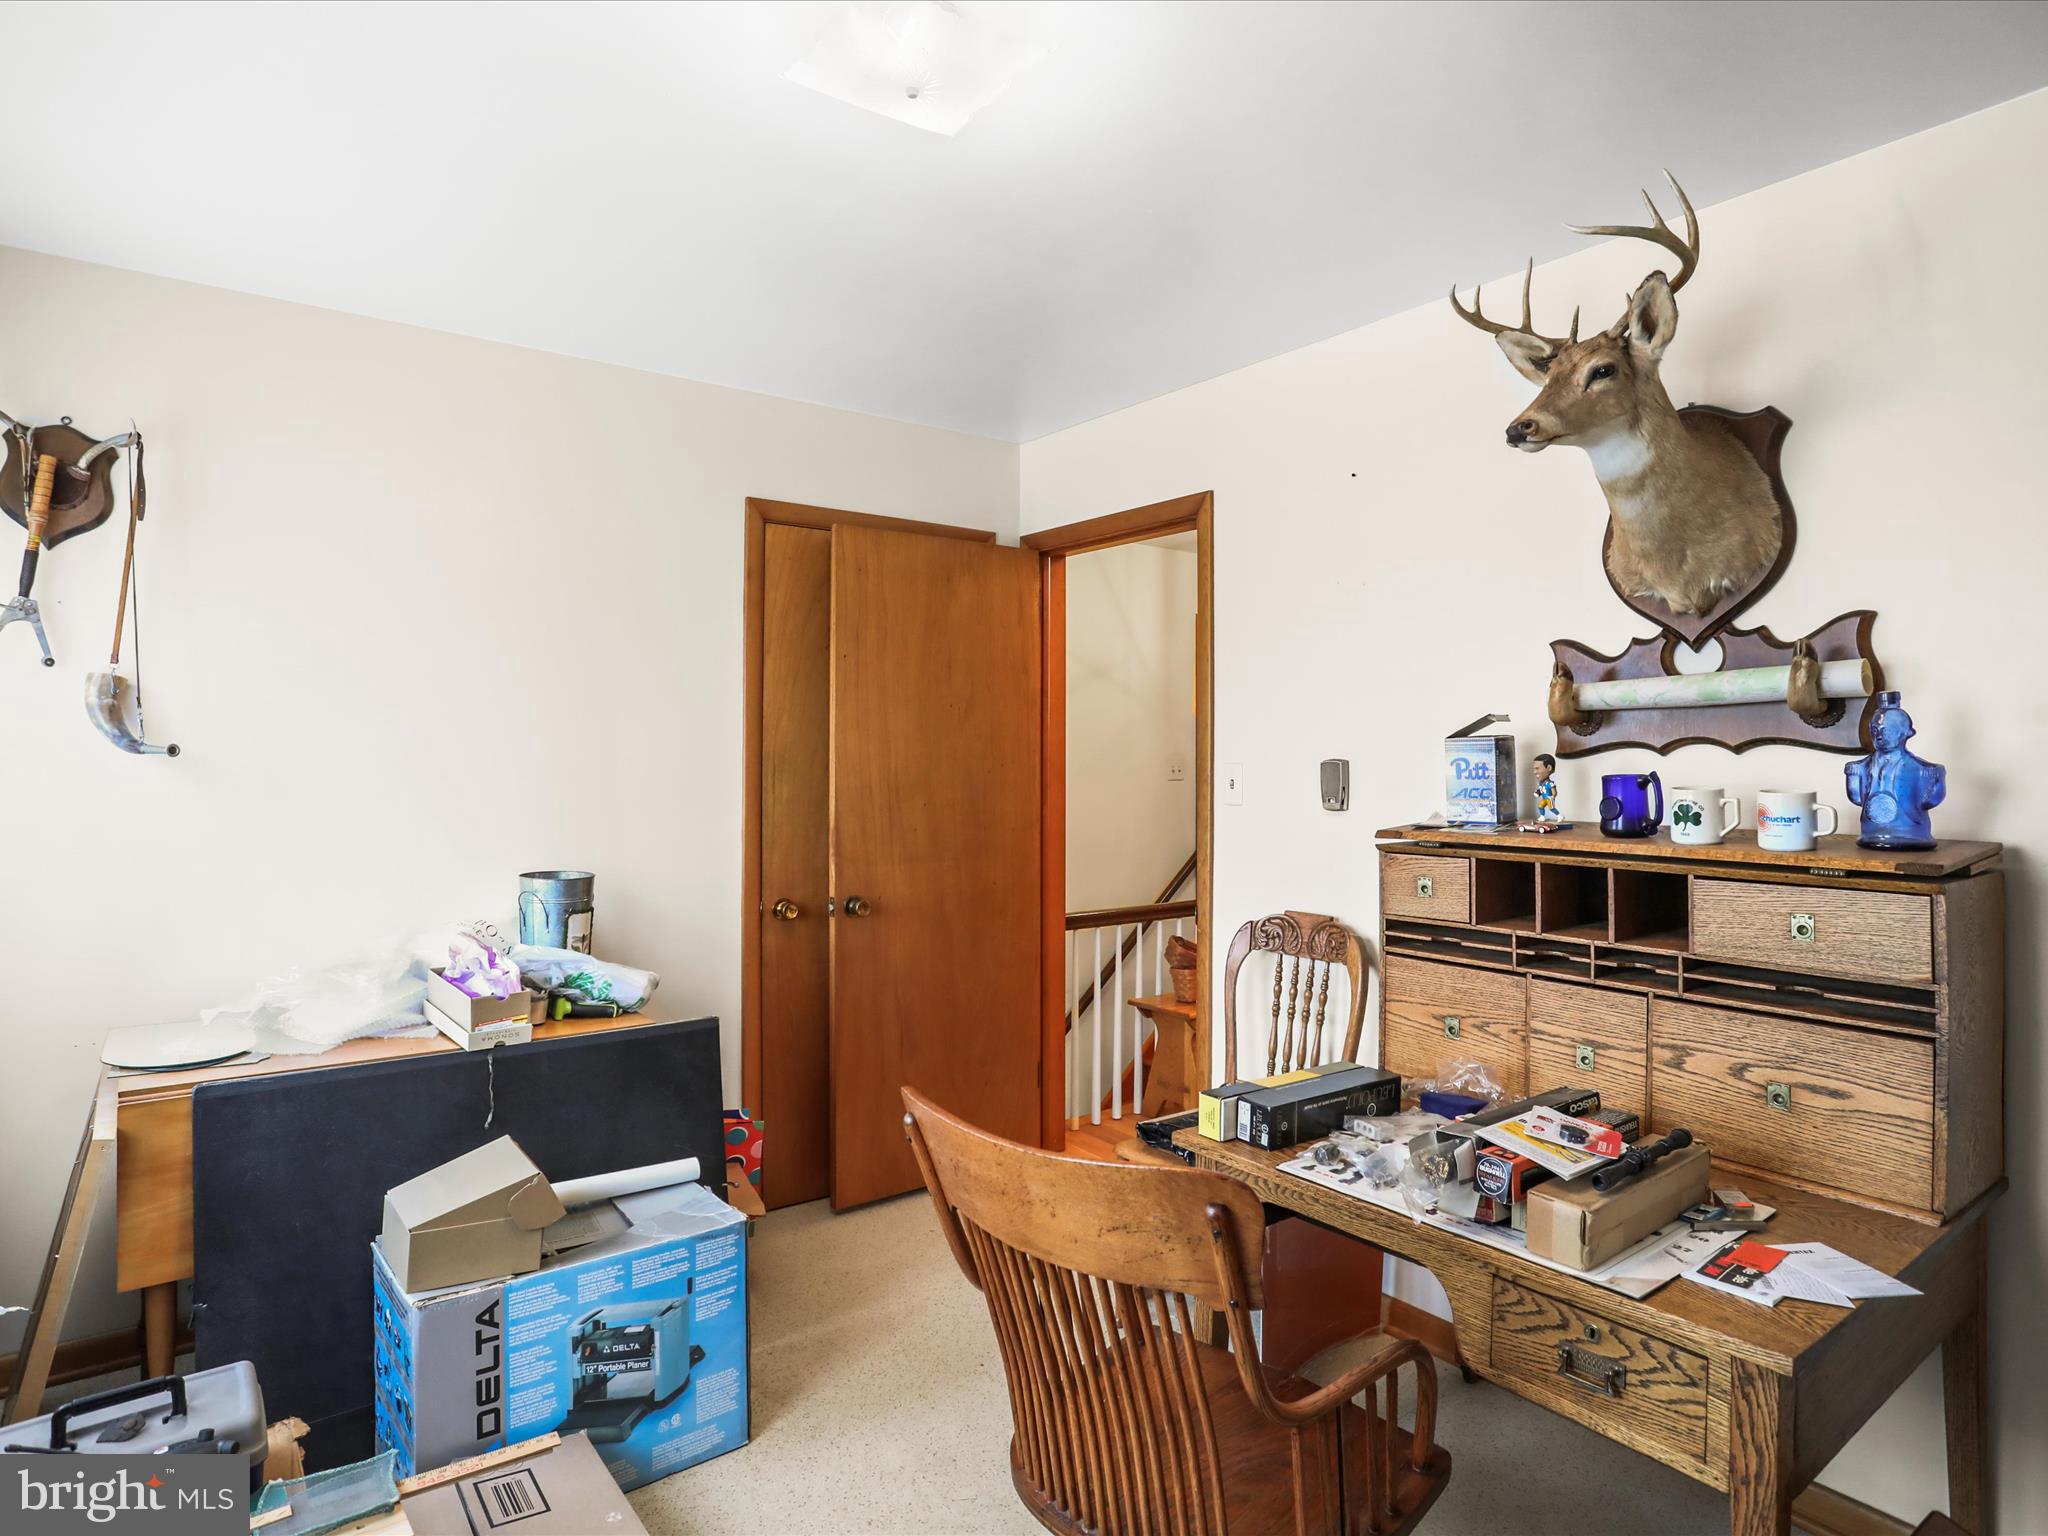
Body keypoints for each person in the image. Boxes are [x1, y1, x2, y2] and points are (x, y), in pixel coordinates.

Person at [1845, 691, 1944, 850]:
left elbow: (1929, 800)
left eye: (1885, 731)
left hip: (1912, 836)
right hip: (1871, 835)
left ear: (1906, 733)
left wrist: (1935, 778)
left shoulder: (1916, 767)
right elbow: (1857, 798)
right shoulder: (1866, 765)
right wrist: (1852, 775)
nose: (1878, 736)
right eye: (1875, 731)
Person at [1532, 753, 1560, 823]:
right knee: (1540, 806)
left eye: (1537, 768)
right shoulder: (1541, 783)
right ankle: (1542, 817)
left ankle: (1559, 816)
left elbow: (1554, 792)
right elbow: (1541, 790)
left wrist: (1552, 797)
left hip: (1549, 798)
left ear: (1549, 768)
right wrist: (1538, 792)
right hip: (1545, 798)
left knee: (1552, 808)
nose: (1534, 772)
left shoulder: (1550, 783)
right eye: (1534, 769)